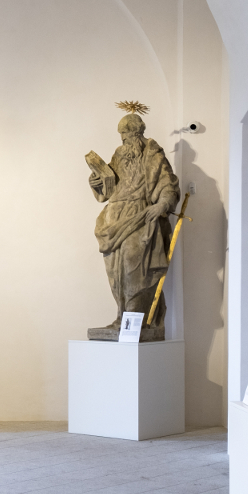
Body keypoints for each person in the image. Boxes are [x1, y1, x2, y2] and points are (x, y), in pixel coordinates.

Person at [88, 113, 180, 335]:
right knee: (115, 271)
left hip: (140, 215)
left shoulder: (153, 154)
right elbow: (109, 188)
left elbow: (168, 184)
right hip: (114, 218)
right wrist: (97, 181)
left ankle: (134, 320)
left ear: (137, 133)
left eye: (126, 134)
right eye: (121, 135)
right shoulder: (119, 154)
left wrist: (162, 204)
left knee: (134, 268)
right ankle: (122, 318)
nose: (122, 140)